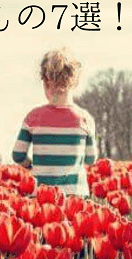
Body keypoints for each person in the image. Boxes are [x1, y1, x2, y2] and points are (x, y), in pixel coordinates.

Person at [12, 48, 97, 196]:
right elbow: (91, 158)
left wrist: (31, 166)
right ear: (75, 83)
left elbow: (17, 154)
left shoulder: (33, 118)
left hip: (42, 195)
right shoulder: (85, 119)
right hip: (75, 194)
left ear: (45, 83)